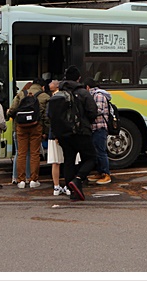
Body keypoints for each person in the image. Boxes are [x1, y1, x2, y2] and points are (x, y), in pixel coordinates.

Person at [52, 65, 98, 201]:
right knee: (91, 158)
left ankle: (73, 192)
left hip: (63, 134)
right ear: (79, 78)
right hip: (81, 132)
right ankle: (78, 179)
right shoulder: (83, 92)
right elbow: (93, 112)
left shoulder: (58, 94)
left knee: (69, 161)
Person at [6, 78, 50, 189]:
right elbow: (46, 117)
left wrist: (10, 115)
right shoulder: (45, 96)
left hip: (21, 127)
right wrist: (45, 131)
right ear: (42, 86)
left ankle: (21, 180)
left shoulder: (21, 94)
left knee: (21, 153)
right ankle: (33, 180)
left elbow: (12, 110)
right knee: (34, 154)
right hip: (36, 126)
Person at [83, 77, 113, 185]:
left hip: (100, 127)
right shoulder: (94, 95)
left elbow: (98, 110)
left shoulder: (98, 95)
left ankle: (106, 174)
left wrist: (86, 112)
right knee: (96, 152)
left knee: (101, 151)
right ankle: (100, 172)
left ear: (87, 87)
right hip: (95, 127)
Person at [46, 79, 70, 196]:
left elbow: (48, 116)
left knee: (55, 162)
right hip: (68, 134)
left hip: (53, 134)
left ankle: (56, 187)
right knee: (69, 161)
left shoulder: (52, 100)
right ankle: (68, 185)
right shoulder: (69, 99)